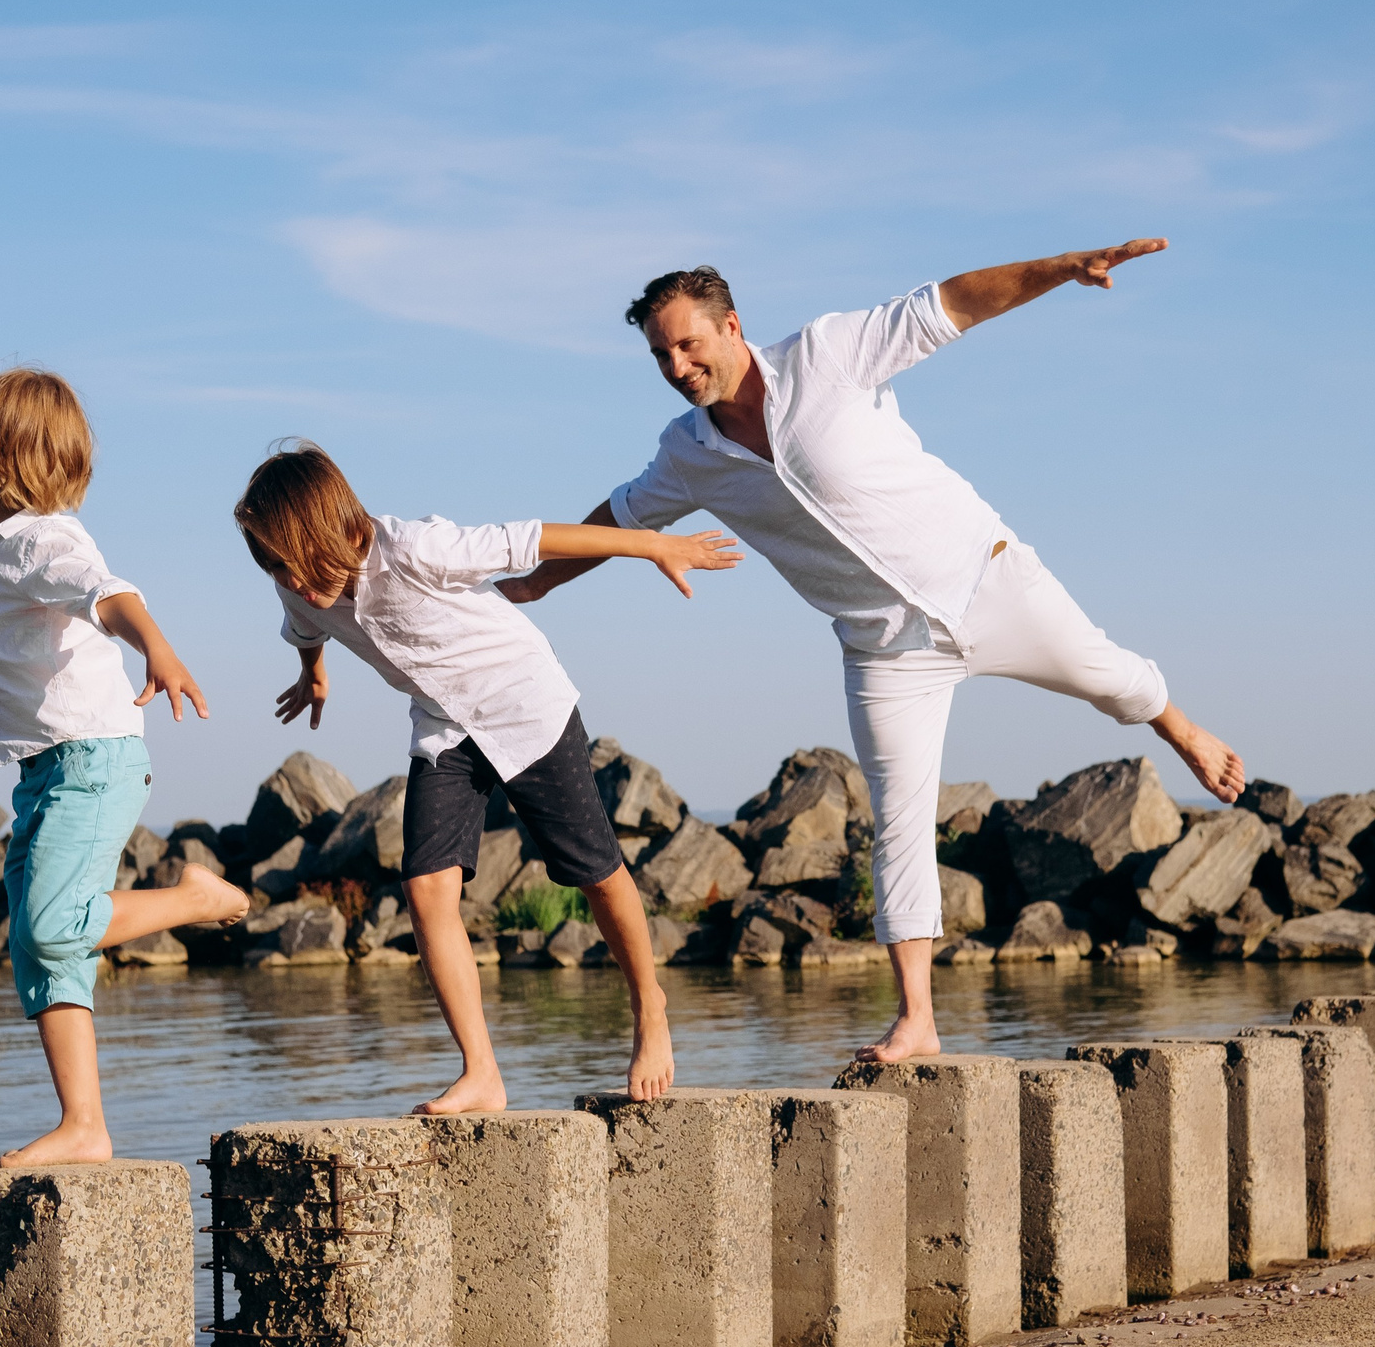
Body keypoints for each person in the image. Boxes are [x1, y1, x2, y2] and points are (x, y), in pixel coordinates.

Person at [500, 242, 1247, 1064]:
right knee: (897, 819)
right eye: (660, 354)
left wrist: (1063, 269)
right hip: (886, 650)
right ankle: (917, 1017)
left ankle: (1181, 727)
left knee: (1109, 675)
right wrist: (536, 585)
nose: (677, 365)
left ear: (732, 326)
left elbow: (955, 302)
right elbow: (618, 518)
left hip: (984, 579)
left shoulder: (828, 353)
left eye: (688, 344)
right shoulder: (689, 452)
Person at [233, 440, 741, 1113]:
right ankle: (482, 1072)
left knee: (595, 870)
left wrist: (652, 545)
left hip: (523, 700)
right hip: (444, 726)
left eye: (298, 566)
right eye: (278, 571)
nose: (295, 584)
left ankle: (650, 1004)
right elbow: (305, 627)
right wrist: (313, 675)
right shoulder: (298, 584)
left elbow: (534, 537)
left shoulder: (417, 547)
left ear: (335, 527)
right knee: (425, 886)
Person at [0, 368, 250, 1165]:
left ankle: (192, 897)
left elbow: (107, 594)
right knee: (40, 946)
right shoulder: (7, 543)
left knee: (53, 923)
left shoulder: (45, 538)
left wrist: (158, 645)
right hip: (49, 770)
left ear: (2, 457)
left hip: (89, 761)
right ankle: (85, 1124)